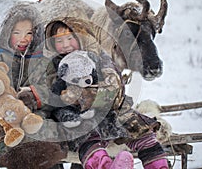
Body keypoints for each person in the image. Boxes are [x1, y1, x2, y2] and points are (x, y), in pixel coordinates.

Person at [44, 17, 169, 169]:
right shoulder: (54, 64)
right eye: (59, 41)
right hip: (72, 112)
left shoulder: (97, 57)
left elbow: (115, 83)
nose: (66, 45)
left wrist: (98, 93)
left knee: (139, 129)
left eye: (70, 38)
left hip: (105, 108)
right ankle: (104, 165)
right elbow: (52, 93)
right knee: (85, 134)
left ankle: (158, 165)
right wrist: (67, 96)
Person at [0, 1, 67, 169]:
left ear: (36, 35)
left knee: (46, 150)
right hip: (1, 123)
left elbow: (53, 91)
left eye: (28, 33)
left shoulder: (43, 64)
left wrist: (34, 97)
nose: (23, 38)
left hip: (34, 119)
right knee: (16, 150)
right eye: (16, 32)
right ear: (7, 33)